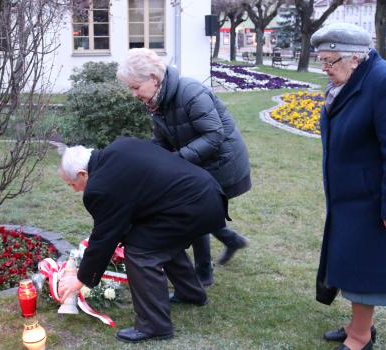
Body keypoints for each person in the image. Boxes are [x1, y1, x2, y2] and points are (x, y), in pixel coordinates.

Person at [311, 23, 386, 350]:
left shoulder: (385, 82)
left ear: (355, 59)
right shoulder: (351, 79)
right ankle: (356, 325)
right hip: (351, 197)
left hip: (374, 199)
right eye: (323, 60)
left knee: (365, 270)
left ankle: (360, 337)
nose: (324, 68)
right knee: (350, 262)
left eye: (330, 61)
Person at [56, 137, 229, 343]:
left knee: (140, 252)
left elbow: (105, 237)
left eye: (72, 184)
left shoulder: (98, 187)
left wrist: (82, 278)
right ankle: (191, 293)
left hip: (192, 207)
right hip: (206, 192)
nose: (75, 190)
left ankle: (155, 326)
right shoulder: (120, 145)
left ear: (83, 174)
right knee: (156, 241)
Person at [116, 48, 251, 287]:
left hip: (222, 161)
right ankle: (230, 240)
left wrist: (176, 160)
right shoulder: (158, 102)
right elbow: (161, 140)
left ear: (153, 78)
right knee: (197, 210)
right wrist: (148, 160)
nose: (133, 94)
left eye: (135, 87)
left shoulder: (190, 92)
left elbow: (214, 134)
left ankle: (203, 273)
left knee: (193, 210)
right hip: (200, 160)